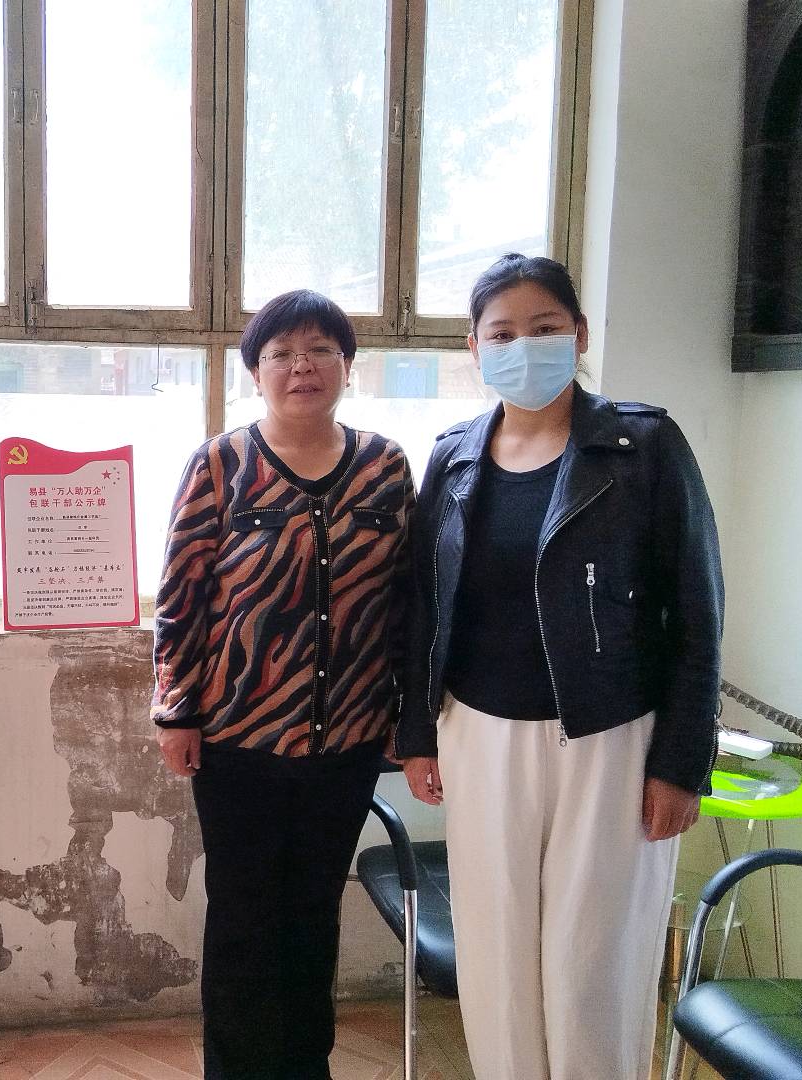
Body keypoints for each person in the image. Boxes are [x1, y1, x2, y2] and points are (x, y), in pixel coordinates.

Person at [395, 254, 724, 1080]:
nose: (524, 347)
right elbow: (425, 606)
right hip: (478, 734)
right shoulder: (454, 458)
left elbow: (698, 612)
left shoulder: (644, 446)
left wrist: (682, 763)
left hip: (610, 737)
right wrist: (416, 733)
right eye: (502, 333)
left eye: (544, 328)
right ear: (475, 348)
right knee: (495, 955)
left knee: (594, 962)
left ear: (578, 334)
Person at [151, 290, 415, 1080]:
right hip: (238, 739)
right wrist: (176, 711)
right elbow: (182, 595)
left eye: (321, 350)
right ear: (256, 371)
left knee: (312, 912)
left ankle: (305, 1066)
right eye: (282, 354)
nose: (303, 367)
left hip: (349, 739)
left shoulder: (385, 467)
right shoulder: (222, 463)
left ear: (347, 365)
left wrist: (408, 717)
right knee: (244, 918)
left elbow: (409, 600)